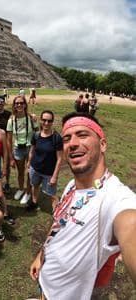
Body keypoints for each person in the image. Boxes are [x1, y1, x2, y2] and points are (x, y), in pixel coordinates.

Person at [29, 112, 136, 299]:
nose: (73, 143)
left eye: (83, 134)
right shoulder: (72, 185)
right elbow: (58, 224)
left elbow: (130, 224)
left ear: (102, 144)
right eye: (67, 138)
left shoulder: (115, 199)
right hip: (45, 281)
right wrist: (41, 254)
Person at [26, 110, 63, 211]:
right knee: (35, 186)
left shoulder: (57, 138)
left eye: (49, 121)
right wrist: (29, 164)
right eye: (44, 120)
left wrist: (54, 176)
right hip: (35, 169)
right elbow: (32, 151)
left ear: (52, 122)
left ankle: (57, 213)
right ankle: (34, 202)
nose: (46, 123)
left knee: (52, 194)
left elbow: (60, 159)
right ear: (41, 120)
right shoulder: (36, 135)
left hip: (49, 173)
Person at [6, 96, 36, 204]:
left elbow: (37, 133)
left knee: (29, 172)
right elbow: (8, 140)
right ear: (14, 105)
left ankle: (28, 192)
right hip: (18, 148)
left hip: (30, 148)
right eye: (17, 103)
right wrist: (10, 157)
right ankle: (20, 188)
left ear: (25, 104)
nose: (19, 105)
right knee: (20, 172)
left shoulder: (31, 118)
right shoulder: (11, 120)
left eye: (21, 103)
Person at [0, 95, 12, 193]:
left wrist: (32, 116)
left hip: (5, 143)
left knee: (7, 164)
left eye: (1, 101)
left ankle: (7, 183)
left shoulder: (9, 114)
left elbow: (21, 115)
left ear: (4, 103)